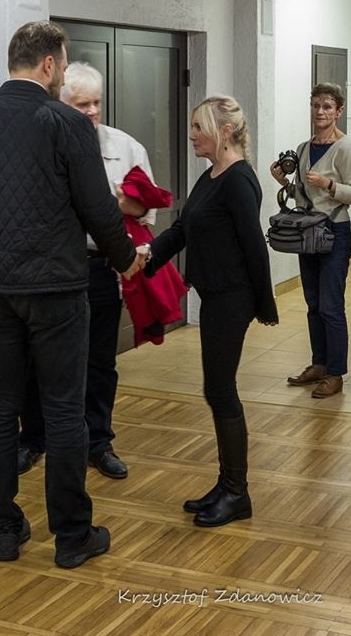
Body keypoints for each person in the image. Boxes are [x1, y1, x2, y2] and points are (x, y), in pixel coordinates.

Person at [0, 21, 141, 569]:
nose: (64, 74)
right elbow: (98, 208)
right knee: (64, 409)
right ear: (49, 65)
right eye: (65, 65)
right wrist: (126, 261)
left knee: (0, 407)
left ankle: (4, 527)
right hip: (56, 288)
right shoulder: (67, 123)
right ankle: (72, 535)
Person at [138, 95, 278, 528]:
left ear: (226, 132)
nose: (192, 135)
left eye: (198, 128)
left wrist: (264, 304)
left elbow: (255, 247)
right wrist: (148, 254)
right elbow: (182, 228)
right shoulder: (212, 175)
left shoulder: (238, 180)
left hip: (231, 298)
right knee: (216, 390)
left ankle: (237, 493)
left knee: (220, 390)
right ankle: (226, 485)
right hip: (215, 295)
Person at [18, 61, 156, 480]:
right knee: (37, 358)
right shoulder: (36, 144)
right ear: (61, 104)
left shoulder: (126, 147)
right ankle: (34, 437)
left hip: (99, 266)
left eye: (97, 103)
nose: (92, 112)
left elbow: (146, 210)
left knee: (99, 361)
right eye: (81, 105)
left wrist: (108, 202)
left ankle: (98, 441)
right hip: (49, 266)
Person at [271, 82, 351, 398]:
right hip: (307, 234)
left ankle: (335, 374)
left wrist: (330, 185)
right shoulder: (304, 148)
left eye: (327, 107)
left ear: (339, 111)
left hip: (335, 233)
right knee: (314, 304)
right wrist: (284, 183)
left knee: (331, 306)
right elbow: (303, 197)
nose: (320, 111)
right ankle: (319, 364)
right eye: (316, 105)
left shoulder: (346, 149)